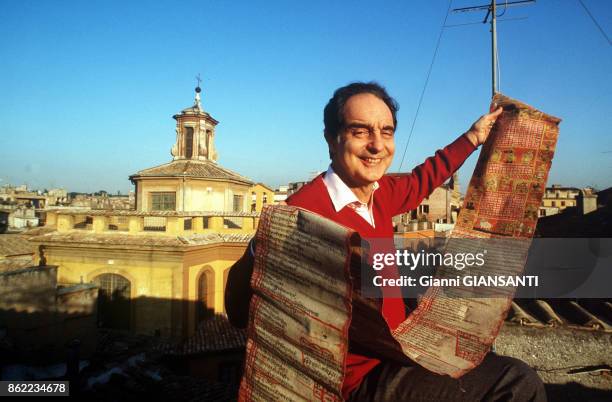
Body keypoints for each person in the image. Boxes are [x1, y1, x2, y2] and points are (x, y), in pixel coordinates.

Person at [225, 82, 546, 401]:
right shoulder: (304, 214)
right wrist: (261, 248)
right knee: (517, 381)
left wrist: (473, 138)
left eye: (387, 131)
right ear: (331, 140)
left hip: (400, 352)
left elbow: (424, 178)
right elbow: (239, 312)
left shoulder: (378, 194)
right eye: (361, 131)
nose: (377, 145)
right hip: (360, 381)